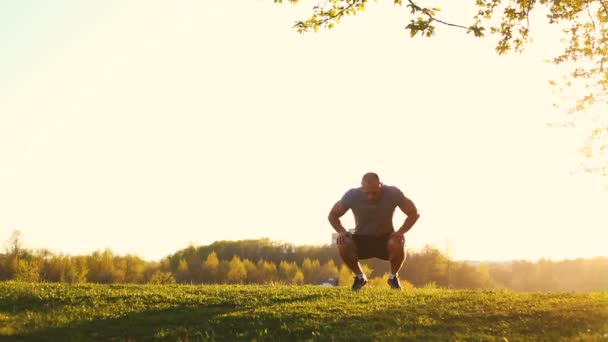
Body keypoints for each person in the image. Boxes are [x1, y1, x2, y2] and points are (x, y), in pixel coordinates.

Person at [328, 172, 420, 290]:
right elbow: (332, 215)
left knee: (398, 241)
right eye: (367, 193)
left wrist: (401, 231)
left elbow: (414, 213)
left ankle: (393, 277)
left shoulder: (393, 193)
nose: (370, 196)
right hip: (361, 239)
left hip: (385, 239)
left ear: (381, 185)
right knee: (342, 242)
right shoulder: (352, 195)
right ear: (362, 187)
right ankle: (360, 277)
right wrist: (341, 231)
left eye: (374, 193)